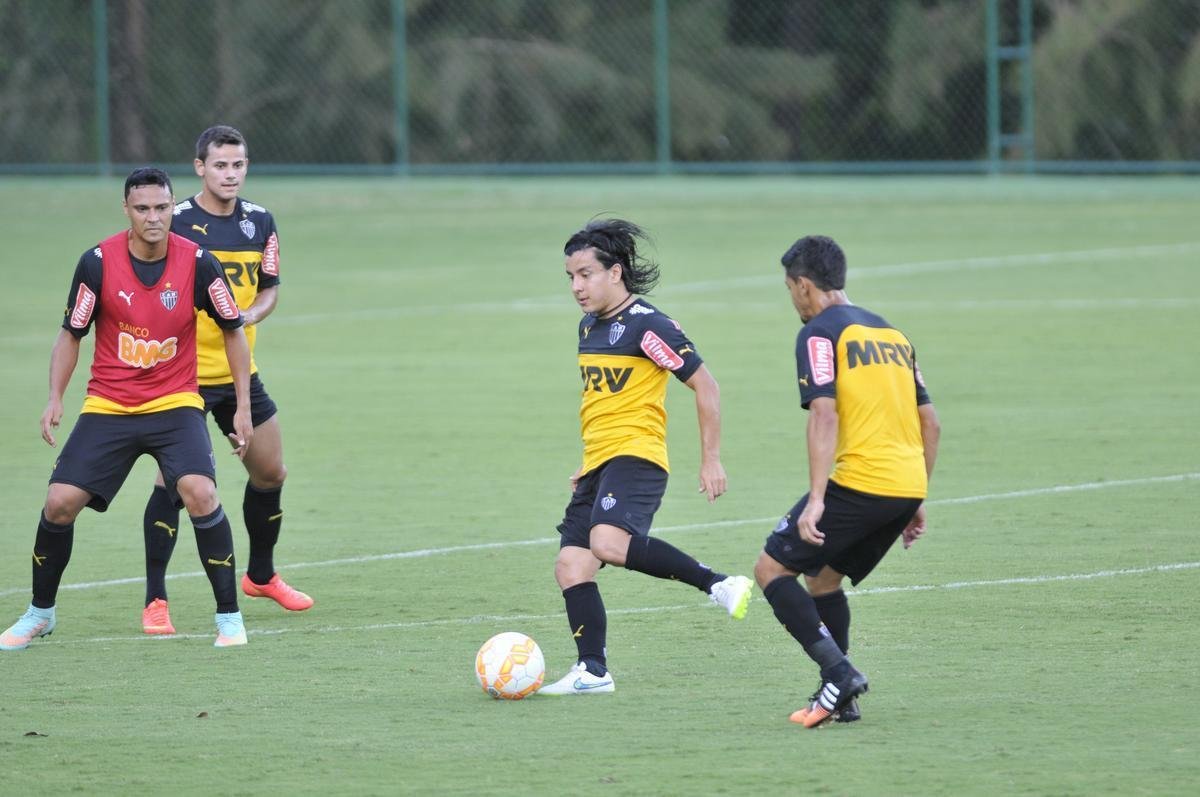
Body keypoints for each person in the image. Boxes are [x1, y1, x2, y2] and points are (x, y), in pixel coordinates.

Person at [0, 167, 254, 651]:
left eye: (162, 207)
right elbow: (71, 334)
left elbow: (233, 331)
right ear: (127, 210)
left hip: (176, 403)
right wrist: (55, 397)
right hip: (110, 405)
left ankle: (229, 619)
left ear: (173, 206)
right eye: (143, 209)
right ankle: (40, 613)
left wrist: (241, 406)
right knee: (58, 504)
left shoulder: (200, 263)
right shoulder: (96, 263)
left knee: (200, 493)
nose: (153, 217)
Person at [538, 218, 754, 695]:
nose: (577, 286)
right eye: (570, 277)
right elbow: (602, 400)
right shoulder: (589, 325)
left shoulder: (648, 326)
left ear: (615, 272)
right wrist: (587, 462)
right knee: (571, 567)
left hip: (637, 456)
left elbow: (706, 384)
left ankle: (718, 584)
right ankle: (592, 672)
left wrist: (711, 458)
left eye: (586, 274)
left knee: (608, 545)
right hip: (602, 460)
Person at [753, 235, 941, 727]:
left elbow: (823, 413)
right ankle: (840, 697)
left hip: (861, 482)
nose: (792, 298)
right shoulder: (894, 336)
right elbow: (931, 423)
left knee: (772, 570)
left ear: (804, 285)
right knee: (824, 579)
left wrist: (817, 499)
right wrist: (917, 493)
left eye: (790, 288)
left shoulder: (819, 333)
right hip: (903, 485)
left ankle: (839, 672)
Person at [139, 125, 311, 637]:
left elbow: (270, 289)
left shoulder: (261, 221)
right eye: (220, 165)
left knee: (271, 472)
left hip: (239, 373)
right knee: (173, 483)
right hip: (181, 378)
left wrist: (248, 316)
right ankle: (155, 600)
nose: (230, 174)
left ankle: (261, 576)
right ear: (200, 168)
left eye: (238, 165)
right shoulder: (178, 221)